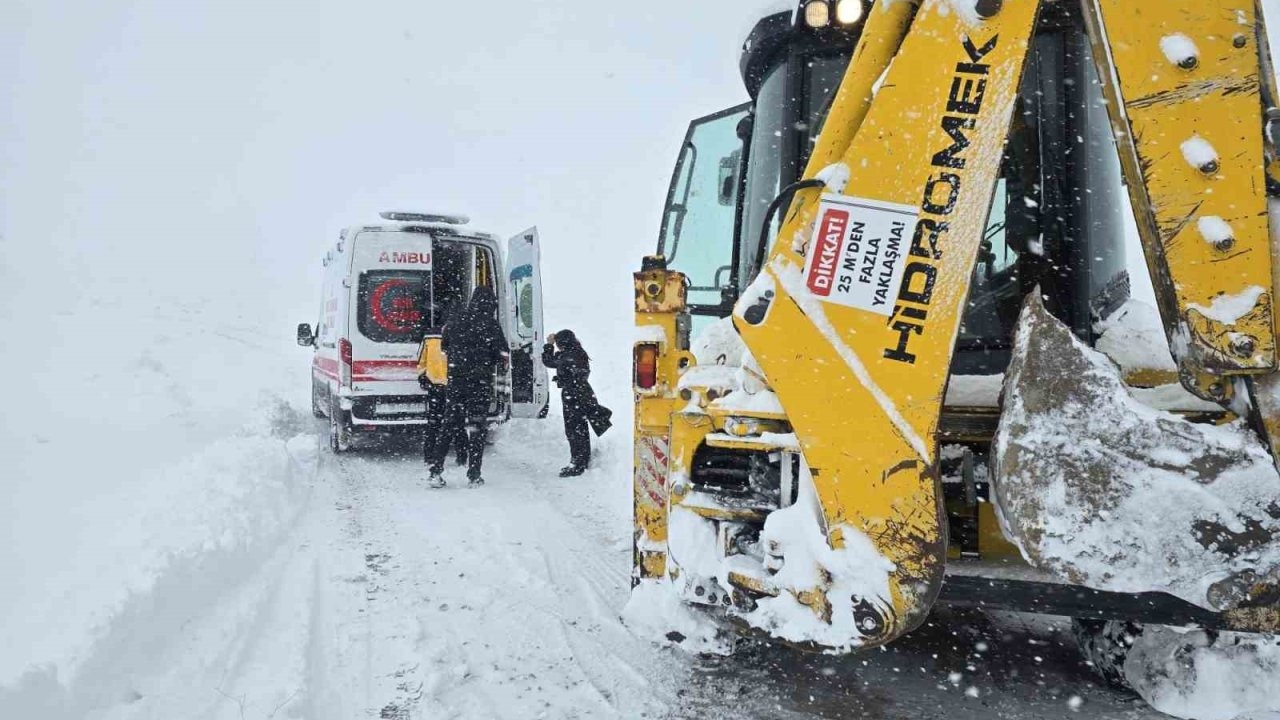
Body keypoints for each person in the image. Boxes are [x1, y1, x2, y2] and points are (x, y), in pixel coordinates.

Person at [427, 286, 508, 488]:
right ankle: (474, 475)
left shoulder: (455, 321)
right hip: (480, 383)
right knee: (477, 428)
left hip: (456, 382)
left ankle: (435, 472)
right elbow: (502, 355)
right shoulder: (491, 324)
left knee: (448, 426)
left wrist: (460, 356)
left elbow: (444, 347)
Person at [542, 329, 612, 477]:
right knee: (581, 429)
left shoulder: (568, 356)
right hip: (583, 392)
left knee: (573, 430)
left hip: (573, 394)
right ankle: (581, 461)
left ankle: (577, 464)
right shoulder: (579, 353)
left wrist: (549, 345)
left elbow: (548, 361)